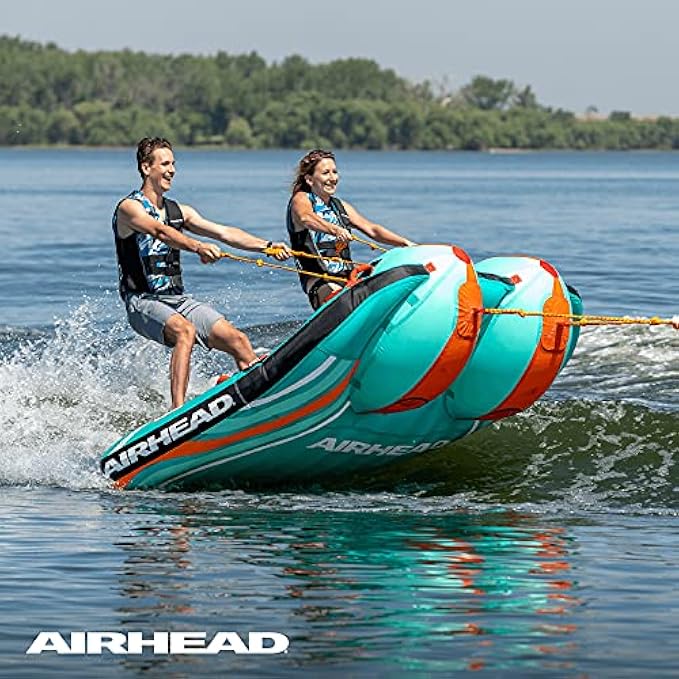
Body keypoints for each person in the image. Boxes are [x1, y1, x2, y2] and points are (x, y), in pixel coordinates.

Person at [113, 136, 291, 409]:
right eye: (165, 164)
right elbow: (160, 231)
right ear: (146, 168)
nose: (172, 170)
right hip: (142, 301)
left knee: (238, 341)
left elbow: (224, 232)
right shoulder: (129, 208)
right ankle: (177, 412)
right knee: (185, 331)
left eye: (173, 164)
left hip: (177, 300)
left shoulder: (178, 211)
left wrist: (266, 246)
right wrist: (197, 247)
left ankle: (259, 405)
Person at [286, 149, 415, 309]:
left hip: (348, 278)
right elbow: (306, 218)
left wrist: (406, 243)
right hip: (321, 281)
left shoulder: (340, 206)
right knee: (340, 295)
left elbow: (372, 229)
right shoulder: (301, 199)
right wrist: (335, 230)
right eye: (325, 173)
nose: (332, 178)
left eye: (334, 172)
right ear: (310, 179)